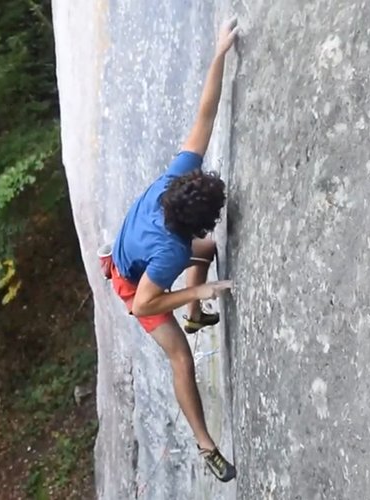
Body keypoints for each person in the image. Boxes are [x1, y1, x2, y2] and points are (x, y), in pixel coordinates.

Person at [108, 17, 240, 482]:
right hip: (133, 285)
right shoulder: (168, 251)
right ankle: (207, 447)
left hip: (137, 251)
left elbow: (205, 114)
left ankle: (197, 315)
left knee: (202, 252)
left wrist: (219, 53)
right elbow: (144, 302)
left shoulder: (176, 180)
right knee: (180, 358)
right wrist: (200, 292)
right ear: (194, 216)